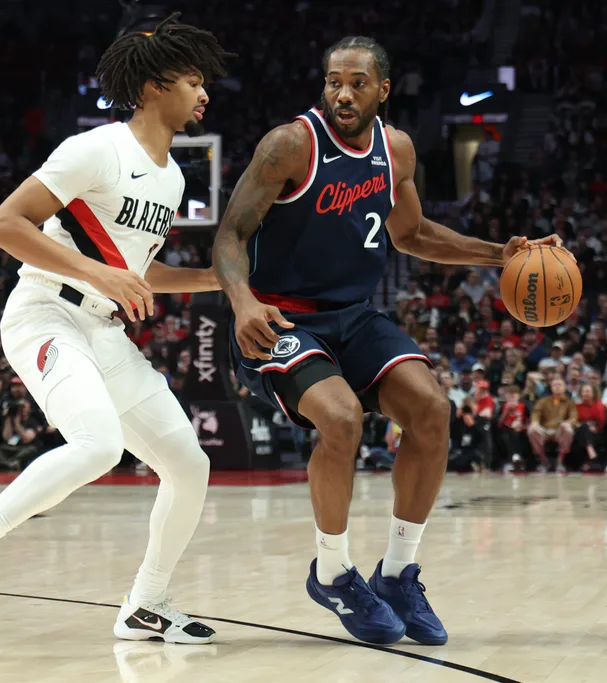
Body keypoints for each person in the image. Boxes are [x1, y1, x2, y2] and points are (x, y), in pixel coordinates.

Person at [212, 35, 563, 644]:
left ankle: (399, 573)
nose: (342, 93)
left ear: (383, 89)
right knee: (342, 418)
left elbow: (413, 234)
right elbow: (229, 235)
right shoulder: (290, 144)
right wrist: (243, 302)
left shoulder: (395, 149)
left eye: (355, 82)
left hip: (352, 315)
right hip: (281, 319)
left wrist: (496, 255)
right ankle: (332, 572)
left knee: (431, 409)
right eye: (332, 81)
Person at [0, 15, 233, 645]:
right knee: (98, 445)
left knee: (189, 466)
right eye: (193, 81)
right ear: (152, 87)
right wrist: (98, 273)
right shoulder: (95, 149)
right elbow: (4, 226)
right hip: (44, 313)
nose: (204, 94)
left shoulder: (170, 177)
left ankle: (146, 604)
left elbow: (137, 270)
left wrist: (217, 280)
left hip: (103, 330)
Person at [528, 377, 578, 473]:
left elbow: (574, 418)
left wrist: (567, 423)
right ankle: (543, 461)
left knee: (568, 430)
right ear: (551, 388)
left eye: (560, 385)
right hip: (545, 429)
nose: (557, 387)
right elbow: (536, 413)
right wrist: (535, 423)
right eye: (555, 385)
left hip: (560, 430)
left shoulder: (570, 402)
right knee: (532, 430)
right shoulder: (543, 401)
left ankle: (560, 461)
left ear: (564, 387)